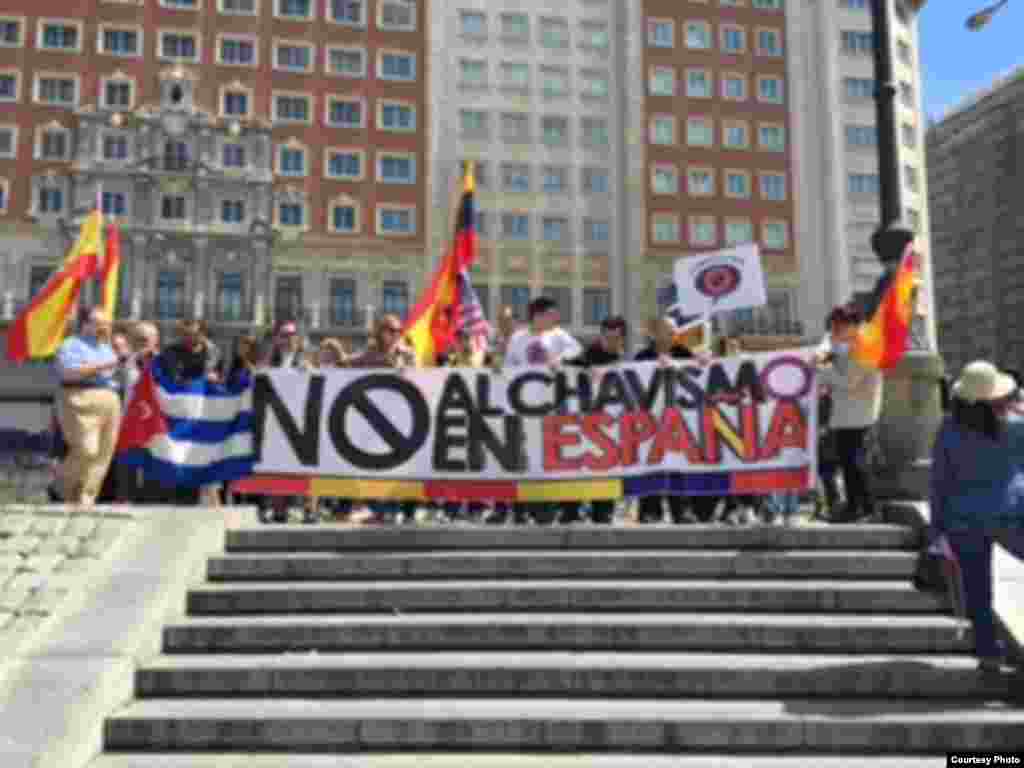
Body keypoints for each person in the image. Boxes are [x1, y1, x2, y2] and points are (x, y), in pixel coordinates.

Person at [930, 360, 1024, 672]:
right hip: (1010, 512)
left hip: (962, 519)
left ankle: (988, 652)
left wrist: (936, 529)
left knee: (977, 590)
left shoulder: (948, 429)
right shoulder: (1015, 426)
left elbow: (939, 481)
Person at [490, 296, 582, 526]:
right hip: (523, 408)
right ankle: (520, 511)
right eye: (551, 314)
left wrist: (560, 358)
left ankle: (544, 510)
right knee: (523, 459)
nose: (555, 318)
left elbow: (577, 349)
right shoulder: (518, 338)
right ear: (537, 316)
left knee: (545, 460)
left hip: (549, 409)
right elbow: (509, 366)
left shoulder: (558, 335)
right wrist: (499, 367)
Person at [633, 316, 717, 524]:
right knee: (651, 466)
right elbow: (633, 382)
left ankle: (681, 511)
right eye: (666, 330)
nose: (671, 334)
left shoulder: (684, 353)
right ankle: (650, 512)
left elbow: (700, 372)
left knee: (679, 465)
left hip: (678, 421)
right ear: (655, 333)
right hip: (651, 421)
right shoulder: (642, 356)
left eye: (673, 331)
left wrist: (704, 360)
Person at [817, 304, 883, 523]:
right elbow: (837, 370)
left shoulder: (866, 345)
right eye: (833, 327)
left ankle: (868, 509)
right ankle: (854, 507)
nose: (834, 331)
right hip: (848, 414)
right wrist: (827, 359)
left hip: (858, 415)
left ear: (852, 325)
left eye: (838, 326)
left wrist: (823, 367)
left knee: (856, 464)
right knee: (848, 464)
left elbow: (848, 381)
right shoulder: (853, 345)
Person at [350, 315, 418, 524]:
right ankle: (378, 509)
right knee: (369, 464)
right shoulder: (369, 354)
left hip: (399, 418)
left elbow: (419, 375)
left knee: (396, 466)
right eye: (390, 330)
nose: (395, 334)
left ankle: (394, 509)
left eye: (398, 331)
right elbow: (347, 364)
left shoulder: (407, 354)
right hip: (372, 418)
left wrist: (407, 370)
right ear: (380, 331)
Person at [51, 308, 122, 506]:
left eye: (107, 323)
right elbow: (68, 372)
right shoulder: (71, 345)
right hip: (81, 398)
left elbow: (112, 372)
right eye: (99, 323)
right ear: (85, 324)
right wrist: (104, 366)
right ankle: (61, 487)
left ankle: (86, 498)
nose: (105, 327)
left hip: (109, 399)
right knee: (86, 450)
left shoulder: (106, 348)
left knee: (103, 455)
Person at [563, 314, 628, 525]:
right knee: (577, 467)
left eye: (615, 338)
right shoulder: (588, 354)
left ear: (622, 339)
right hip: (583, 425)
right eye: (606, 337)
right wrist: (585, 367)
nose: (610, 342)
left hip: (610, 428)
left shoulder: (626, 359)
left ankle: (603, 511)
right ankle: (571, 511)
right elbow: (566, 364)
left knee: (607, 469)